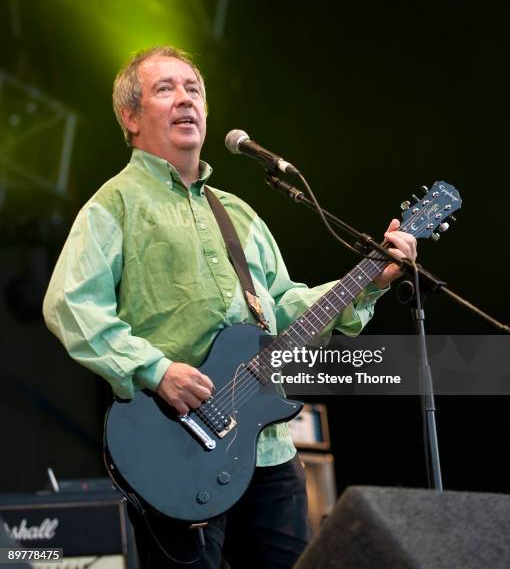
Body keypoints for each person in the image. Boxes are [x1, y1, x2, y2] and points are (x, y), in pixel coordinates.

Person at [43, 46, 417, 569]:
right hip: (179, 452)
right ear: (130, 117)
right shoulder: (115, 204)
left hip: (269, 452)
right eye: (164, 89)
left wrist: (368, 281)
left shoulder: (238, 213)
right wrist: (156, 370)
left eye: (193, 89)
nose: (185, 100)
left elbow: (285, 312)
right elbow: (70, 304)